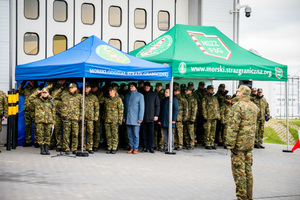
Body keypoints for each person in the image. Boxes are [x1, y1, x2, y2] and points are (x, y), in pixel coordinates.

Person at [225, 85, 259, 200]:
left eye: (238, 92)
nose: (237, 94)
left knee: (239, 173)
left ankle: (241, 197)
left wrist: (230, 144)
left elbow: (233, 127)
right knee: (248, 171)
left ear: (242, 93)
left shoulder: (237, 106)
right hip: (249, 145)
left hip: (238, 145)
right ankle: (249, 197)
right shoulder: (254, 106)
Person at [28, 88, 55, 155]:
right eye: (43, 93)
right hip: (40, 121)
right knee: (40, 135)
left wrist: (53, 121)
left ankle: (46, 148)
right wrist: (37, 92)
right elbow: (30, 99)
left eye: (45, 93)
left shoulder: (51, 101)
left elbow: (53, 112)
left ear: (48, 94)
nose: (44, 94)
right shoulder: (37, 101)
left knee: (48, 135)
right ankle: (42, 149)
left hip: (48, 121)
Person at [61, 83, 82, 154]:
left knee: (75, 134)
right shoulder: (65, 95)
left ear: (76, 88)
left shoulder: (80, 96)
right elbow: (56, 97)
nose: (70, 89)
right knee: (66, 134)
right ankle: (66, 148)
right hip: (67, 118)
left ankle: (74, 148)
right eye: (70, 88)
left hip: (75, 118)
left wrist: (80, 116)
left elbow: (82, 107)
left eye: (72, 88)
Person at [123, 82, 145, 154]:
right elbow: (124, 108)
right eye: (130, 86)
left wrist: (140, 118)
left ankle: (136, 148)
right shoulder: (127, 95)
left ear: (135, 87)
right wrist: (124, 117)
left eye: (132, 86)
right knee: (129, 134)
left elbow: (142, 108)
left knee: (135, 134)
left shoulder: (140, 95)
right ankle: (131, 147)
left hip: (136, 119)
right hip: (128, 118)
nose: (130, 87)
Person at [18, 80, 39, 147]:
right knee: (27, 126)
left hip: (35, 110)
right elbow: (19, 91)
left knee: (36, 126)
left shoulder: (37, 89)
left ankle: (37, 141)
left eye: (33, 81)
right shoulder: (26, 88)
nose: (31, 82)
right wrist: (23, 83)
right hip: (27, 110)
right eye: (30, 81)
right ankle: (28, 141)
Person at [79, 83, 99, 154]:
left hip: (90, 118)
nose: (86, 88)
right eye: (85, 87)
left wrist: (96, 117)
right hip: (82, 118)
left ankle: (90, 147)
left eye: (87, 87)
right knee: (82, 133)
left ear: (90, 88)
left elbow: (96, 108)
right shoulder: (81, 96)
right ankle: (83, 147)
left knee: (90, 132)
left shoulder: (94, 97)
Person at [102, 87, 123, 154]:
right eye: (109, 91)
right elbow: (100, 101)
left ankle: (114, 147)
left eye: (111, 91)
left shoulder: (118, 99)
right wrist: (103, 92)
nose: (109, 92)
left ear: (115, 92)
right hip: (107, 119)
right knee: (108, 135)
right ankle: (109, 147)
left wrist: (120, 120)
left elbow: (121, 110)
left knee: (114, 134)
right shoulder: (106, 99)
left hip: (115, 120)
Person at [141, 82, 160, 153]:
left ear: (150, 87)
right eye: (145, 86)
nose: (146, 87)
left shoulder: (154, 94)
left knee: (151, 134)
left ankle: (151, 147)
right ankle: (145, 147)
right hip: (143, 117)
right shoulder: (141, 94)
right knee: (144, 134)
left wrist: (156, 115)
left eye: (148, 86)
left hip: (152, 117)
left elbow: (157, 105)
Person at [50, 79, 68, 151]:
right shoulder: (56, 88)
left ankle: (63, 145)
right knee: (56, 130)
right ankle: (56, 144)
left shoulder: (68, 88)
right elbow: (54, 96)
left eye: (63, 81)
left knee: (65, 130)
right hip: (57, 112)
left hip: (65, 112)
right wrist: (60, 89)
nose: (61, 82)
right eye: (60, 81)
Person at [202, 85, 220, 150]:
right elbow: (203, 107)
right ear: (208, 90)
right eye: (211, 89)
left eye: (213, 89)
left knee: (213, 131)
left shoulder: (215, 98)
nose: (212, 90)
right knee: (207, 130)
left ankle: (212, 143)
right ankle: (207, 143)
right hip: (208, 117)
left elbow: (217, 107)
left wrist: (218, 115)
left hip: (214, 117)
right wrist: (205, 116)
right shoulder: (205, 98)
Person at [90, 82, 101, 151]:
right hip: (89, 115)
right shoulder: (89, 95)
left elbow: (101, 102)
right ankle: (90, 145)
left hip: (97, 114)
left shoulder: (100, 93)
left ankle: (96, 145)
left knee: (97, 131)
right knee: (90, 131)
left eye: (94, 87)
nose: (93, 89)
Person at [154, 82, 165, 151]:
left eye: (159, 87)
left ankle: (161, 145)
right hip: (155, 114)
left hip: (161, 114)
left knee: (161, 132)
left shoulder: (163, 95)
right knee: (155, 132)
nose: (157, 88)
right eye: (157, 87)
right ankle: (155, 145)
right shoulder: (155, 93)